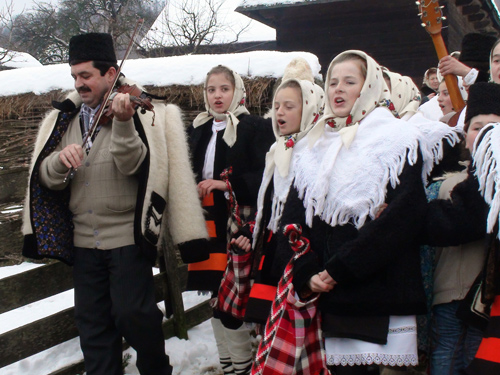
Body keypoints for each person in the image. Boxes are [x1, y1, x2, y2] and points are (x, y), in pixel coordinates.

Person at [21, 33, 209, 375]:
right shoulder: (63, 119)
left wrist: (122, 124)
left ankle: (155, 369)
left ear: (110, 74)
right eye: (74, 76)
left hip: (126, 239)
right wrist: (59, 162)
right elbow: (44, 179)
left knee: (133, 315)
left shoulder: (137, 111)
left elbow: (135, 167)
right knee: (92, 326)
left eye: (86, 75)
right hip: (83, 243)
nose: (78, 83)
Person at [271, 50, 440, 374]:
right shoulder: (311, 148)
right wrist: (305, 274)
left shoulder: (396, 140)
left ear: (370, 87)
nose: (338, 89)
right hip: (324, 296)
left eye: (349, 82)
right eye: (333, 82)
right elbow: (292, 222)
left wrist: (342, 268)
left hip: (376, 294)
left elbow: (404, 216)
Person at [186, 64, 274, 375]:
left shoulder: (253, 127)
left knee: (231, 299)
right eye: (211, 89)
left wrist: (227, 185)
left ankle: (242, 367)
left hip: (238, 223)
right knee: (214, 296)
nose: (218, 95)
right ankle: (228, 365)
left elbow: (267, 176)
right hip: (207, 222)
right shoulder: (199, 129)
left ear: (237, 91)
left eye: (224, 88)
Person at [232, 71, 325, 326]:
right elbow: (270, 207)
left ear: (310, 109)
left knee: (298, 336)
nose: (279, 112)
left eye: (289, 106)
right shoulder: (277, 150)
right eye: (276, 106)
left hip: (304, 256)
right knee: (273, 331)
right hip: (274, 251)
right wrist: (254, 231)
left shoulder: (319, 154)